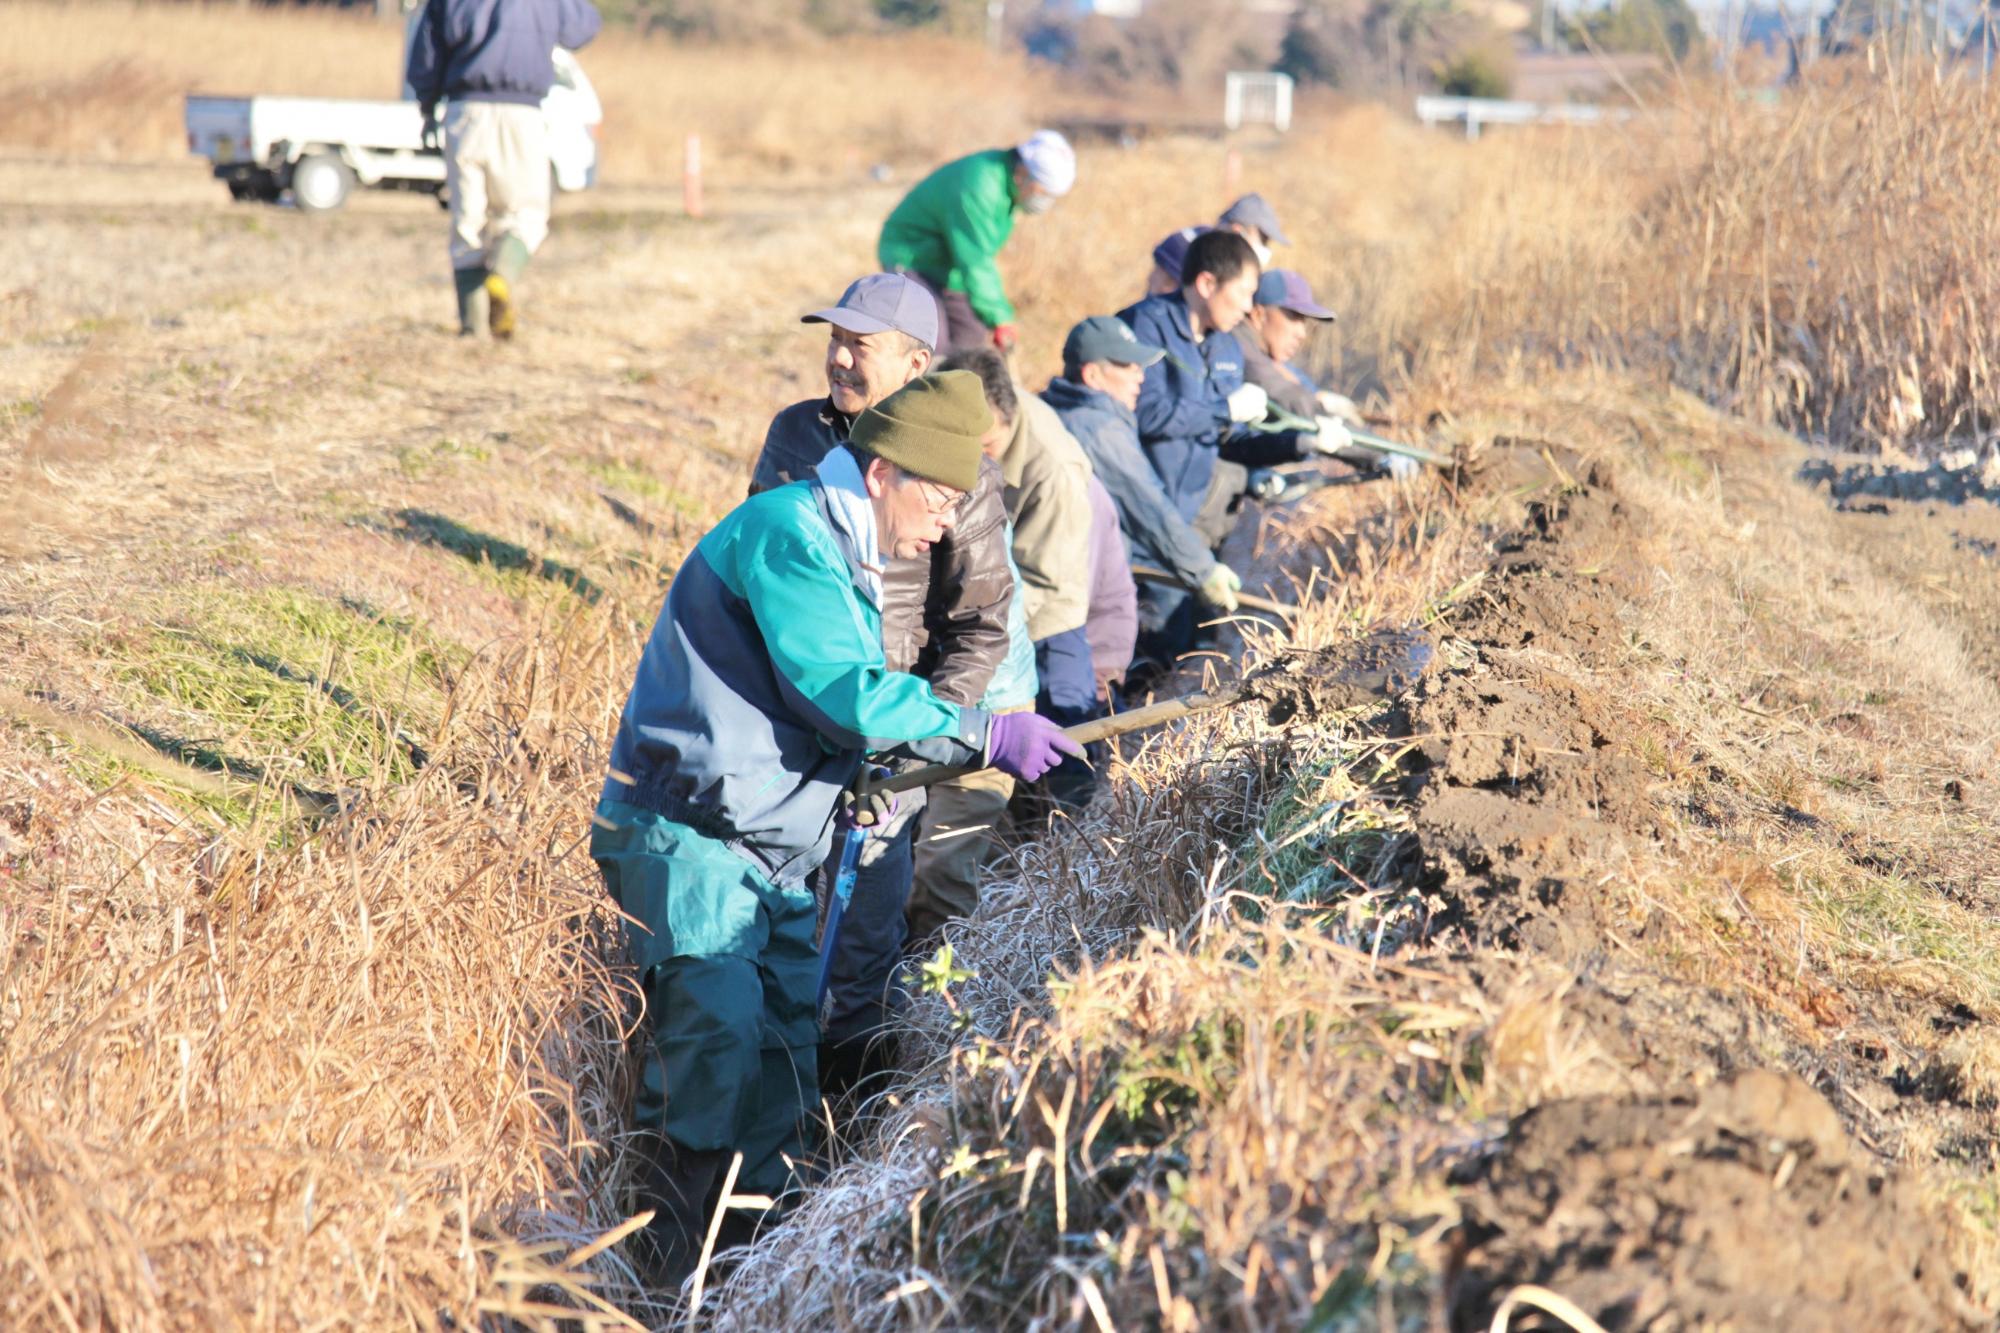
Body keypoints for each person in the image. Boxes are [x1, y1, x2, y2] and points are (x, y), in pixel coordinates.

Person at [592, 372, 1082, 1284]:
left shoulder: (846, 552)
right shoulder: (789, 534)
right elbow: (847, 694)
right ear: (884, 472)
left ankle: (750, 1284)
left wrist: (856, 780)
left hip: (772, 858)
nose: (942, 524)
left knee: (781, 1081)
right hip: (694, 840)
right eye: (938, 498)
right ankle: (650, 1288)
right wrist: (984, 729)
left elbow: (821, 718)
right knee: (713, 1060)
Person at [747, 275, 1022, 1094]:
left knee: (861, 953)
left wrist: (915, 746)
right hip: (791, 739)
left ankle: (841, 1136)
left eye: (858, 346)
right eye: (834, 339)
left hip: (889, 747)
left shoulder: (961, 470)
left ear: (915, 361)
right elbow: (771, 577)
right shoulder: (795, 433)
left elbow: (979, 626)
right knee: (769, 943)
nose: (837, 358)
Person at [902, 348, 1093, 944]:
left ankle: (934, 995)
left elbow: (1017, 610)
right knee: (892, 861)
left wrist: (951, 727)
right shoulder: (906, 476)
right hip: (919, 698)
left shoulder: (1019, 483)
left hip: (996, 701)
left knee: (942, 868)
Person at [1041, 315, 1239, 669]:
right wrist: (1205, 571)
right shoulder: (1099, 429)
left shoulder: (1060, 411)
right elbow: (1150, 510)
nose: (1140, 375)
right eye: (1128, 365)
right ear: (1092, 375)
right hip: (1074, 602)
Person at [405, 0, 601, 339]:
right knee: (526, 214)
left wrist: (426, 106)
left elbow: (427, 54)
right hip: (522, 113)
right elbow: (582, 28)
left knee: (468, 220)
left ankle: (473, 328)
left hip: (464, 113)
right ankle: (502, 276)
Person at [1117, 229, 1267, 663]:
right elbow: (1147, 413)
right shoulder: (1145, 326)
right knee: (1135, 650)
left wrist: (1299, 444)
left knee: (1175, 645)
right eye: (1242, 293)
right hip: (1137, 519)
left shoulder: (1226, 346)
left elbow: (1229, 437)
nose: (1247, 306)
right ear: (1206, 284)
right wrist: (1224, 408)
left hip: (1185, 526)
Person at [877, 131, 1077, 356]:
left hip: (950, 265)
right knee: (931, 342)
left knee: (972, 340)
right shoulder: (980, 187)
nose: (1044, 202)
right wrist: (1000, 318)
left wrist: (993, 318)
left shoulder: (1007, 185)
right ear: (1022, 173)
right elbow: (976, 261)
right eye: (1042, 193)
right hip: (912, 255)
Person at [1237, 269, 1417, 480]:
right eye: (1294, 317)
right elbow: (1297, 402)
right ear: (1259, 315)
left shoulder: (1257, 348)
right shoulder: (1241, 351)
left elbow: (1295, 384)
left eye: (1304, 321)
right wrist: (1382, 455)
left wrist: (1319, 396)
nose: (1302, 333)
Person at [1140, 193, 1287, 296]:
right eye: (1263, 240)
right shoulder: (1189, 248)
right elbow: (1161, 290)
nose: (1265, 249)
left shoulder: (1214, 250)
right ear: (1237, 231)